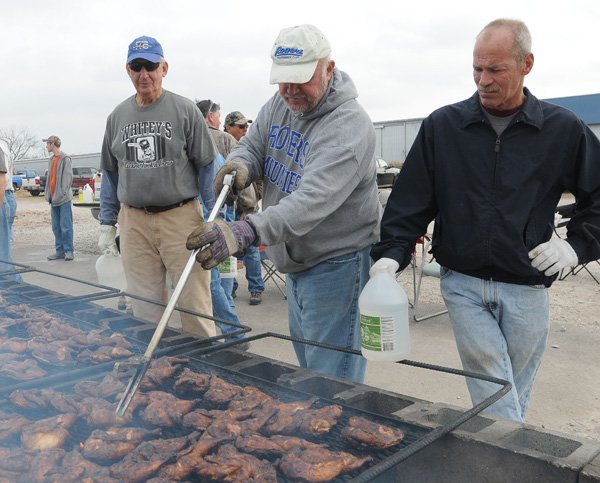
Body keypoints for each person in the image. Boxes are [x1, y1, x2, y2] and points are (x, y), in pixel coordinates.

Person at [371, 19, 600, 422]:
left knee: (514, 391)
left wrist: (574, 246)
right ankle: (509, 458)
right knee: (492, 383)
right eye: (477, 68)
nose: (483, 80)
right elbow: (412, 201)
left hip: (528, 286)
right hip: (463, 283)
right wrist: (391, 253)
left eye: (496, 70)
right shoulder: (444, 126)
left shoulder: (562, 130)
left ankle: (506, 455)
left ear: (526, 64)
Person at [186, 24, 380, 383]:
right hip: (295, 261)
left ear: (328, 68)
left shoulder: (348, 126)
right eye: (283, 81)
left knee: (331, 382)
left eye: (300, 79)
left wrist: (248, 229)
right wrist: (241, 164)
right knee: (310, 369)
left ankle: (332, 439)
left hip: (336, 263)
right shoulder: (282, 102)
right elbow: (253, 143)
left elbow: (309, 203)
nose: (290, 90)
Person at [98, 35, 218, 338]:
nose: (144, 75)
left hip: (181, 218)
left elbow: (206, 166)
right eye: (136, 67)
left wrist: (216, 216)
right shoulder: (117, 117)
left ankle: (206, 370)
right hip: (134, 221)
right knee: (144, 308)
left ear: (164, 67)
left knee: (194, 303)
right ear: (127, 70)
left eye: (150, 66)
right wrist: (107, 222)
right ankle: (154, 374)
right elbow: (111, 173)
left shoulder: (185, 110)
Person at [199, 101, 265, 306]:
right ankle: (244, 290)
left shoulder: (195, 138)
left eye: (247, 126)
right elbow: (240, 178)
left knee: (223, 250)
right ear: (211, 117)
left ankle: (230, 290)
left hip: (212, 209)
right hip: (230, 208)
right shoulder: (225, 140)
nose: (246, 130)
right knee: (244, 248)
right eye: (242, 126)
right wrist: (249, 207)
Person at [43, 135, 74, 261]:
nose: (46, 146)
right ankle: (59, 251)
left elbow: (67, 180)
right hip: (53, 199)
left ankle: (68, 251)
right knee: (56, 226)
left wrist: (61, 194)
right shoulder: (51, 160)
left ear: (52, 144)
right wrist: (48, 195)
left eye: (47, 144)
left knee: (66, 225)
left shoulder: (65, 159)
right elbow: (50, 178)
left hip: (63, 199)